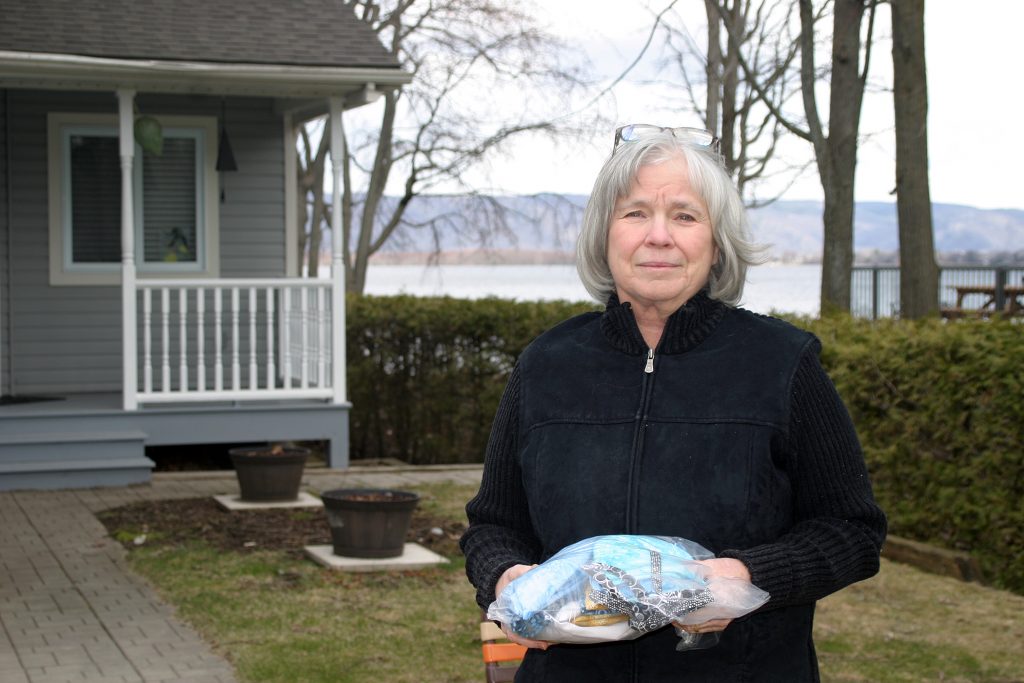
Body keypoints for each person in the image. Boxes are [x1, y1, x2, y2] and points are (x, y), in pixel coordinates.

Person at [459, 124, 887, 682]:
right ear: (604, 234)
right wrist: (502, 576)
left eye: (685, 216)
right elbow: (493, 523)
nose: (658, 236)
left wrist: (748, 575)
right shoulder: (547, 364)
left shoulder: (782, 363)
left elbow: (852, 530)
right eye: (635, 212)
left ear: (716, 241)